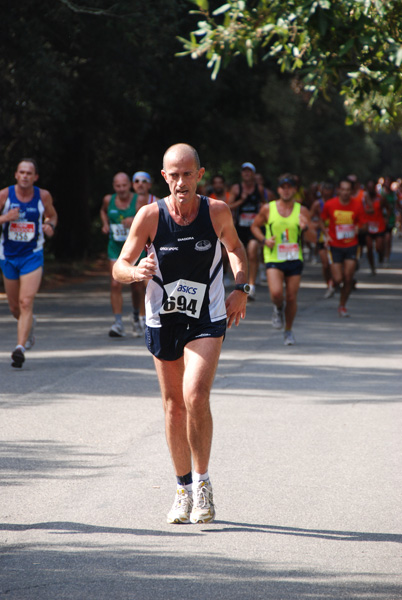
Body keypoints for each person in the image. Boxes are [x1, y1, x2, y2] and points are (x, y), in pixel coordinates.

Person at [113, 143, 248, 524]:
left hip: (206, 315)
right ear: (164, 177)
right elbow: (118, 266)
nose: (181, 181)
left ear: (199, 175)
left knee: (195, 394)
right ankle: (182, 489)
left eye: (188, 174)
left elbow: (236, 249)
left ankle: (203, 484)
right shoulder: (149, 216)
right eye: (174, 174)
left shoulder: (216, 211)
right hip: (163, 318)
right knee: (174, 407)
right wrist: (135, 272)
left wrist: (241, 288)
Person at [0, 158, 57, 368]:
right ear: (16, 175)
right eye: (21, 172)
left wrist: (50, 224)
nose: (25, 176)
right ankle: (29, 324)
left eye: (29, 173)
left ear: (35, 177)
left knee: (26, 302)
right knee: (15, 307)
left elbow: (52, 215)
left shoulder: (42, 196)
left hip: (32, 254)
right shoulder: (5, 195)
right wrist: (5, 218)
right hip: (8, 255)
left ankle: (19, 348)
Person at [251, 173, 313, 345]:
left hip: (294, 257)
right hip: (274, 256)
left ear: (294, 190)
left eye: (289, 187)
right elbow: (255, 226)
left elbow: (313, 237)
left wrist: (305, 227)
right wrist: (264, 240)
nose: (286, 191)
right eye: (283, 187)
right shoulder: (268, 209)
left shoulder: (302, 210)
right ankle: (278, 309)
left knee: (292, 298)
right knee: (277, 293)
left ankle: (288, 330)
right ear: (278, 190)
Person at [100, 172, 140, 337]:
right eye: (118, 186)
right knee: (115, 283)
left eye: (124, 185)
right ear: (114, 186)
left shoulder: (139, 200)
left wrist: (135, 220)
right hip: (115, 248)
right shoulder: (109, 200)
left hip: (135, 248)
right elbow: (103, 211)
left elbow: (148, 218)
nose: (121, 189)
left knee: (136, 285)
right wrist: (105, 224)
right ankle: (117, 322)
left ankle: (137, 316)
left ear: (129, 184)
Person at [319, 178, 364, 317]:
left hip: (351, 245)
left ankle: (342, 305)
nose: (345, 192)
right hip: (335, 245)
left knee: (348, 278)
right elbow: (321, 220)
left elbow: (363, 223)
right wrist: (326, 234)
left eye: (348, 190)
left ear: (351, 191)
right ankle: (334, 283)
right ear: (338, 190)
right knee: (338, 279)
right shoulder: (330, 204)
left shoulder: (357, 205)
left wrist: (358, 229)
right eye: (342, 189)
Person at [228, 162, 265, 299]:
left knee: (253, 252)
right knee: (239, 255)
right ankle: (240, 283)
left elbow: (264, 204)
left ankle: (252, 286)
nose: (246, 173)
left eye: (249, 171)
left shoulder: (259, 189)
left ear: (253, 174)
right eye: (244, 171)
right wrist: (241, 201)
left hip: (253, 228)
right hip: (240, 227)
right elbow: (227, 206)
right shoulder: (236, 189)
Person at [131, 171, 159, 335]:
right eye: (136, 181)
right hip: (132, 247)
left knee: (149, 283)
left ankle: (148, 318)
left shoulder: (156, 202)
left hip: (149, 249)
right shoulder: (127, 201)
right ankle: (136, 315)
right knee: (135, 287)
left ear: (149, 184)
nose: (140, 184)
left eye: (144, 181)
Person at [310, 181, 335, 297]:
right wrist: (314, 225)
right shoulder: (317, 204)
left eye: (330, 189)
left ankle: (336, 282)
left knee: (335, 263)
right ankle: (329, 284)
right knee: (325, 264)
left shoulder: (337, 202)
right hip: (322, 237)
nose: (327, 192)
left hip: (336, 237)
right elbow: (309, 217)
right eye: (325, 189)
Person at [361, 184, 386, 274]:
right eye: (369, 188)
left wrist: (386, 217)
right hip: (368, 226)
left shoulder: (381, 198)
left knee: (379, 247)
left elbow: (387, 208)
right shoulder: (363, 200)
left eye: (372, 188)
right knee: (369, 247)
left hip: (379, 226)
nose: (370, 189)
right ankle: (372, 267)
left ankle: (381, 255)